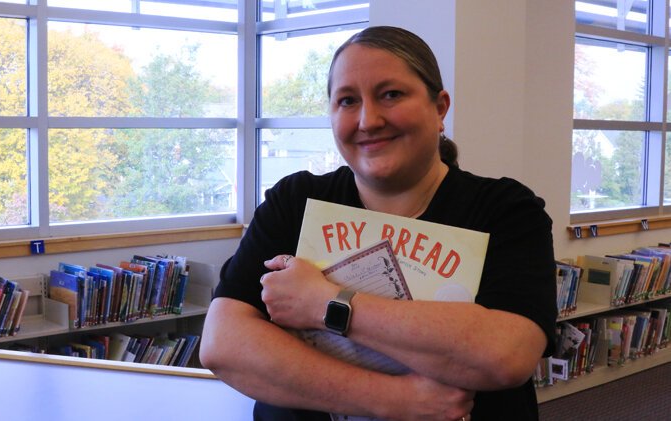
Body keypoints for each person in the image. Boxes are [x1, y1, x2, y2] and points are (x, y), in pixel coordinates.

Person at [200, 25, 556, 421]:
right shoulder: (295, 201)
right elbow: (223, 345)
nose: (368, 120)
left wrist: (322, 302)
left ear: (440, 107)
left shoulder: (505, 209)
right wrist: (395, 400)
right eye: (348, 101)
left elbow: (505, 356)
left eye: (391, 94)